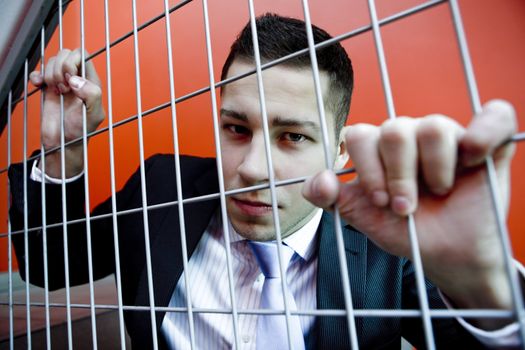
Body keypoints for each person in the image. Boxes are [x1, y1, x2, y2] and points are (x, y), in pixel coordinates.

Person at [9, 13, 523, 349]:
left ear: (339, 148)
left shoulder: (390, 238)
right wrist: (64, 147)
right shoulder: (164, 186)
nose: (252, 168)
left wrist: (482, 281)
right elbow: (50, 263)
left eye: (292, 137)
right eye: (236, 128)